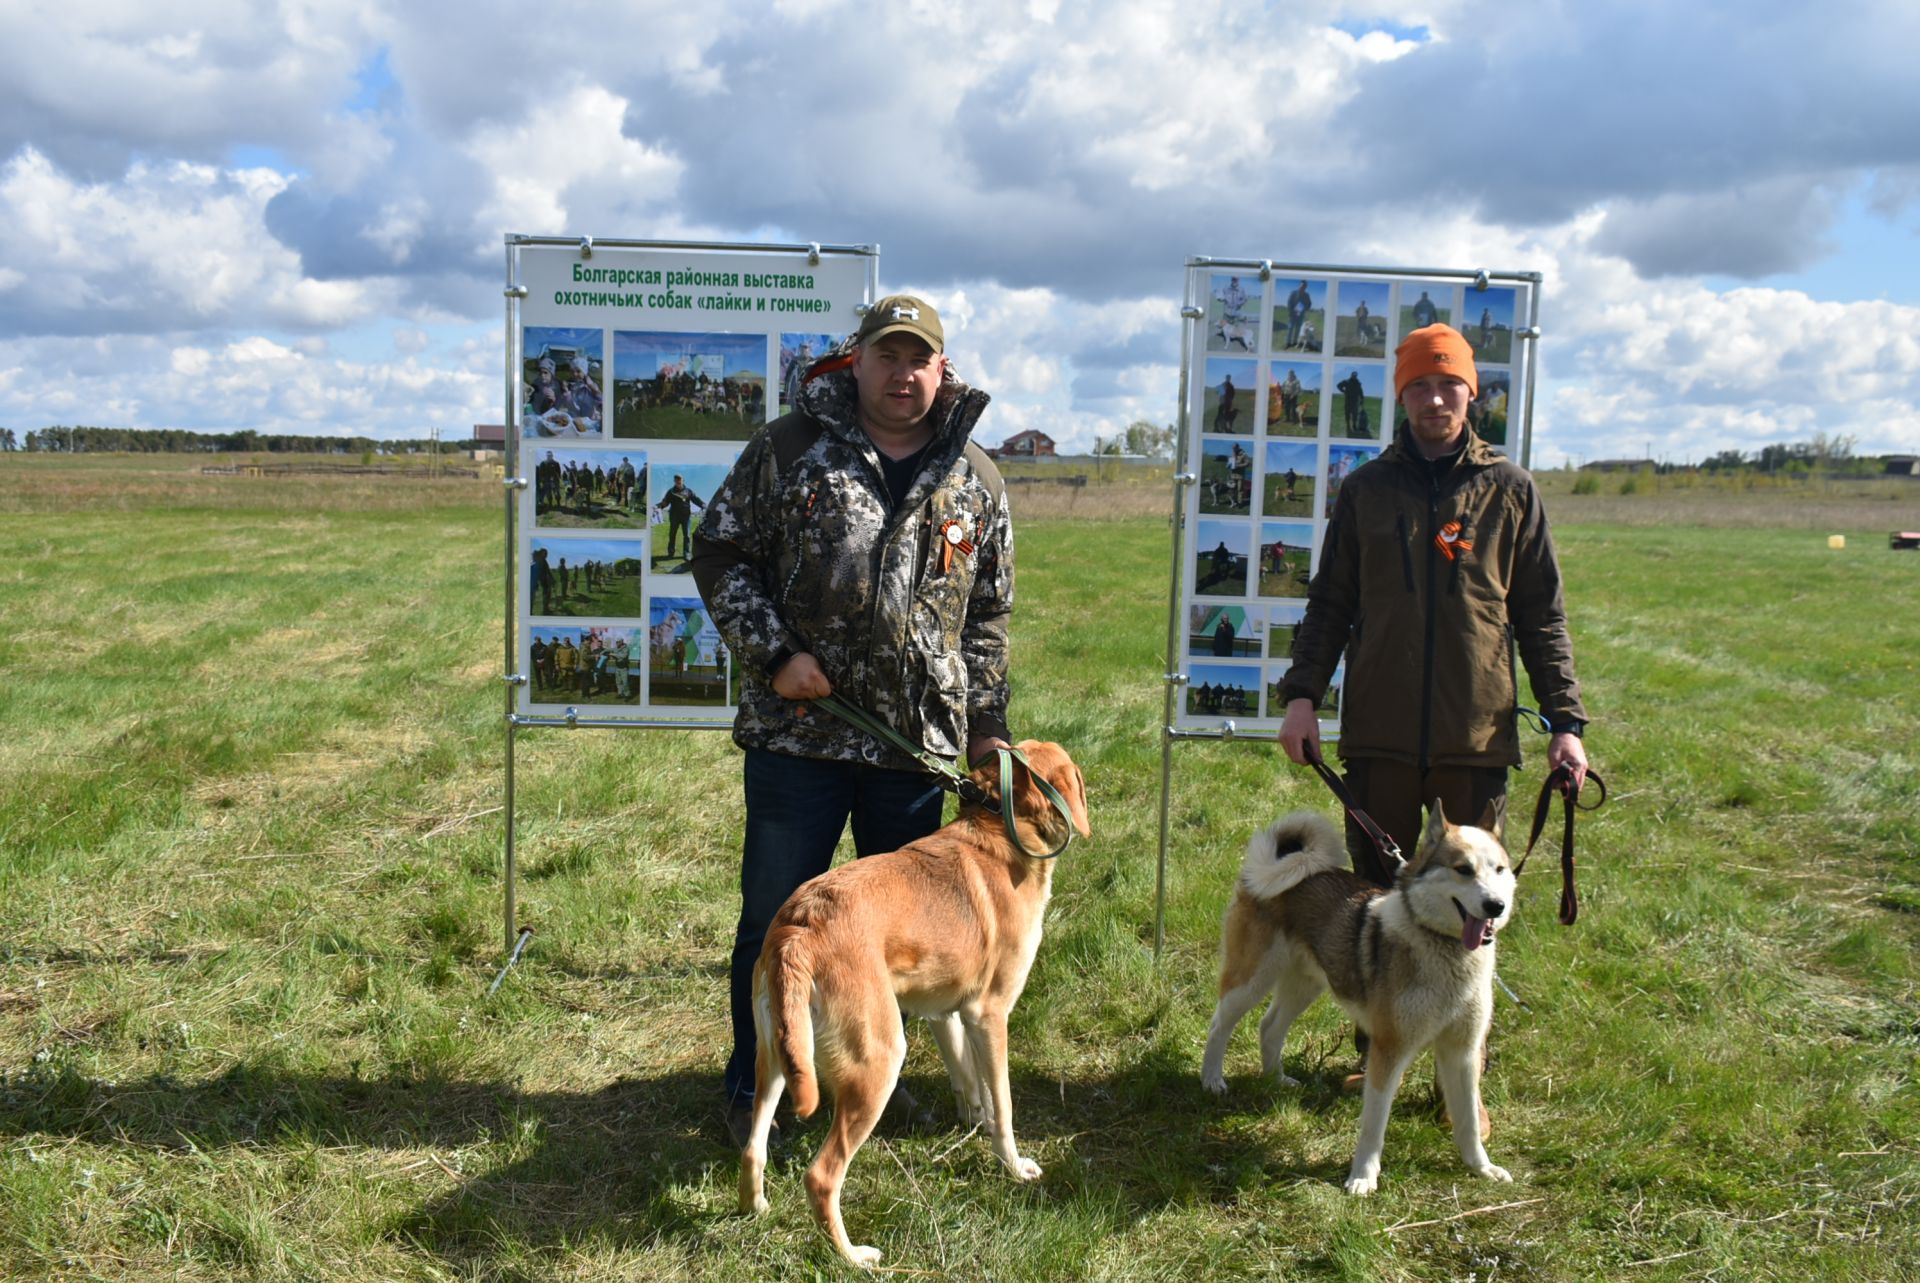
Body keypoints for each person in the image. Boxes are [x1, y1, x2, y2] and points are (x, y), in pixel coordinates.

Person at [690, 293, 1014, 1148]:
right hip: (801, 737)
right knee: (777, 923)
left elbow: (986, 616)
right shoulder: (790, 447)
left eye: (919, 358)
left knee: (895, 938)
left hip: (913, 753)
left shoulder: (976, 476)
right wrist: (773, 657)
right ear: (856, 360)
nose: (902, 373)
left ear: (942, 370)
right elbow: (719, 552)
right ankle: (751, 1081)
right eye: (887, 355)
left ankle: (870, 1079)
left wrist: (986, 727)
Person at [1277, 323, 1589, 887]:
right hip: (1380, 736)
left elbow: (1543, 616)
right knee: (1377, 905)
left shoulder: (1511, 489)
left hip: (1474, 739)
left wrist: (1566, 723)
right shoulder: (1365, 490)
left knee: (1469, 903)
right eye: (1419, 384)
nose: (1436, 398)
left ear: (1472, 391)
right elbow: (1329, 603)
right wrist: (1302, 698)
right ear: (1401, 394)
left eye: (1449, 382)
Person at [658, 473, 706, 560]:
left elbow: (696, 499)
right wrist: (658, 506)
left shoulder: (689, 491)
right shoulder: (671, 491)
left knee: (687, 535)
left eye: (679, 480)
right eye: (676, 481)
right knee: (672, 534)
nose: (678, 482)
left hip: (686, 517)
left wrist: (703, 505)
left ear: (683, 481)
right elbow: (665, 502)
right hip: (674, 516)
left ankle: (687, 553)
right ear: (674, 481)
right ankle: (671, 553)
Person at [1284, 280, 1312, 348]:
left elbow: (1309, 304)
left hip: (1300, 315)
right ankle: (1288, 343)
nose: (1302, 287)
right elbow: (1289, 303)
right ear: (1299, 285)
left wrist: (1305, 308)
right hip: (1292, 315)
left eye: (1304, 286)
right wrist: (1291, 312)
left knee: (1298, 329)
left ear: (1306, 287)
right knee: (1290, 329)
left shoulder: (1306, 295)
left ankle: (1294, 342)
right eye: (1301, 285)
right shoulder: (1293, 293)